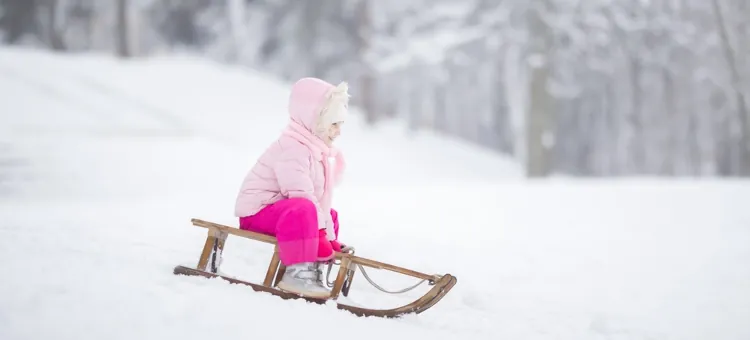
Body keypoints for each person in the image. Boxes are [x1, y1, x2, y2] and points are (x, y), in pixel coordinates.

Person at [234, 77, 349, 298]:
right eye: (334, 124)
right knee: (305, 209)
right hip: (257, 213)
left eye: (340, 125)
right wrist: (320, 234)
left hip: (280, 212)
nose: (338, 131)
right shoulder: (294, 149)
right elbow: (300, 194)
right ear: (315, 120)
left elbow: (320, 202)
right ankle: (297, 274)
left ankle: (314, 270)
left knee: (329, 213)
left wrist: (328, 237)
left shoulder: (315, 150)